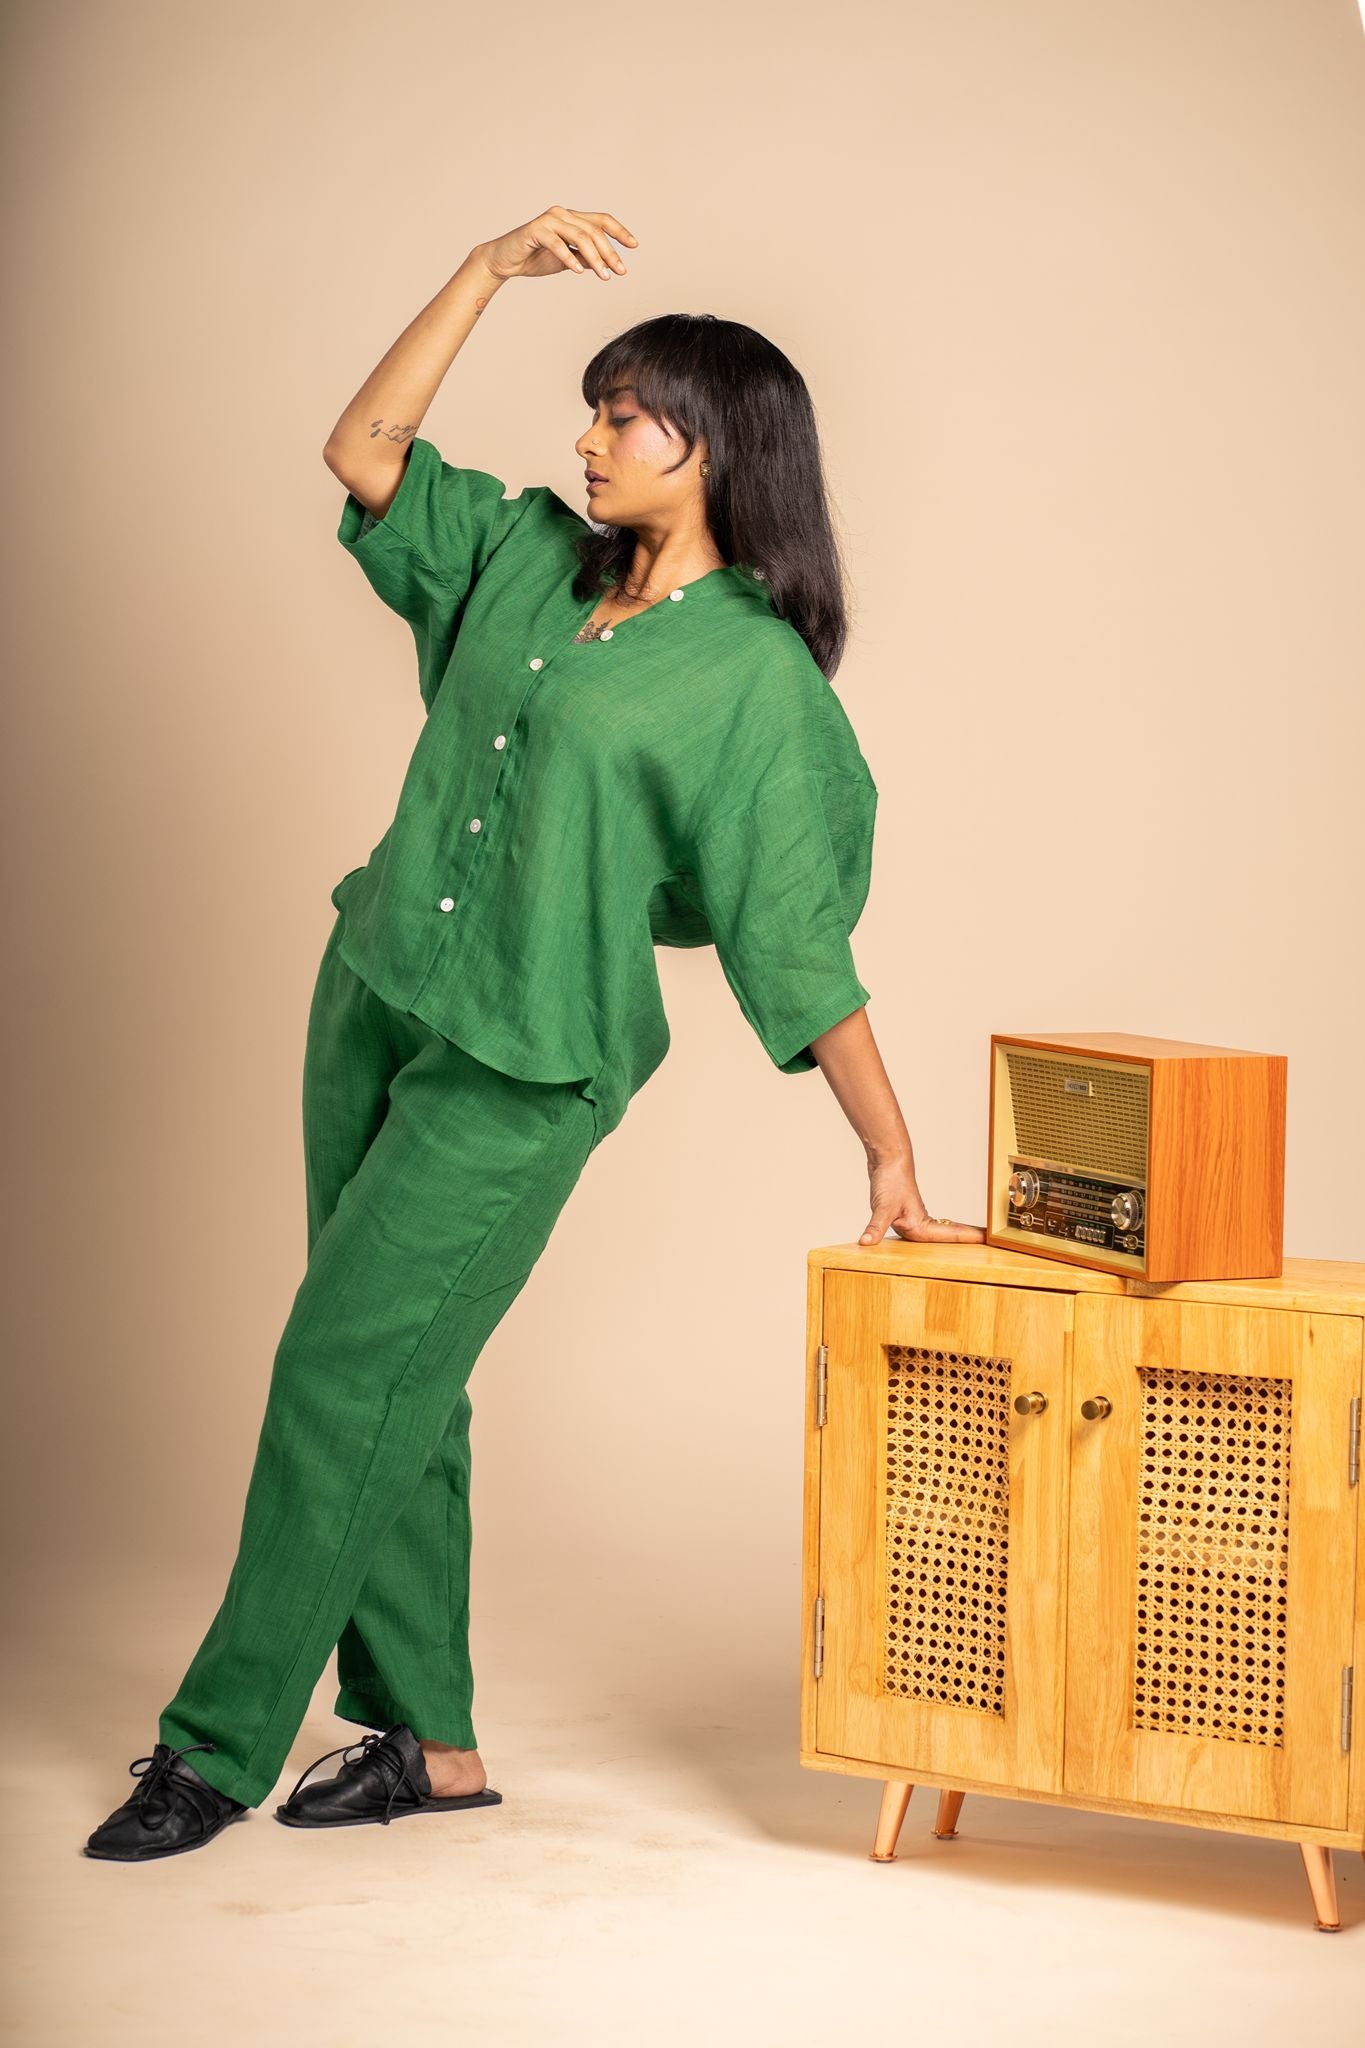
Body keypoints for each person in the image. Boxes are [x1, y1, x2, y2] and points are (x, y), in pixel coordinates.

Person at [85, 205, 985, 1863]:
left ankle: (213, 1745)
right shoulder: (522, 556)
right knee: (398, 1381)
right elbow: (363, 449)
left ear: (711, 448)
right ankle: (429, 1744)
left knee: (340, 1370)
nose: (586, 439)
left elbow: (795, 939)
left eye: (622, 417)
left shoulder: (754, 683)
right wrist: (483, 271)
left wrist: (890, 1152)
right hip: (372, 991)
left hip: (523, 1062)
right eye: (592, 410)